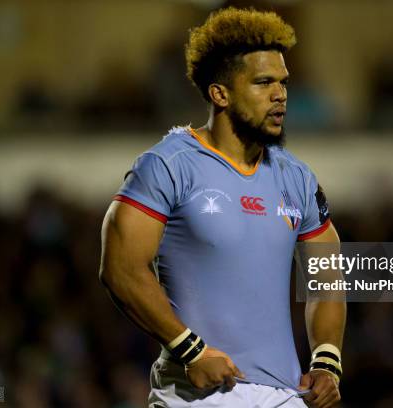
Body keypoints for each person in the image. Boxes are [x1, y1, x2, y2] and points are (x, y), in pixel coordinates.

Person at [99, 7, 346, 408]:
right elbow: (120, 268)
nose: (280, 94)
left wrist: (326, 362)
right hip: (196, 395)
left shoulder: (297, 178)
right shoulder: (167, 165)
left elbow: (327, 275)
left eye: (283, 82)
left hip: (284, 395)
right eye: (264, 82)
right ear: (220, 93)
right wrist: (190, 350)